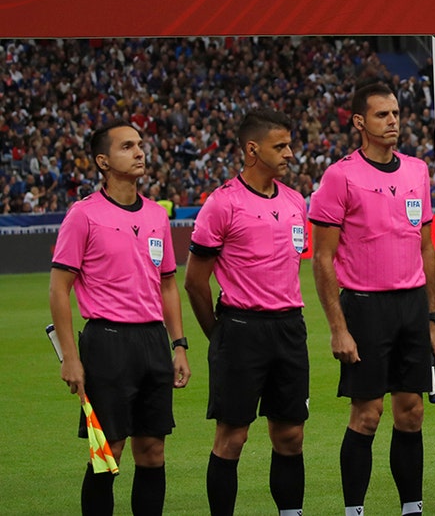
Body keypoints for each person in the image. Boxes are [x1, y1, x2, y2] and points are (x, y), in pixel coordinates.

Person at [48, 120, 191, 515]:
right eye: (127, 146)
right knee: (107, 453)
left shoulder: (156, 216)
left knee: (153, 451)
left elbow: (167, 286)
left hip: (152, 343)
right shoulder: (83, 215)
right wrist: (71, 357)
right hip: (106, 342)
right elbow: (59, 288)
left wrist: (178, 345)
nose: (140, 151)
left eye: (140, 144)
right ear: (102, 161)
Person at [309, 81, 435, 516]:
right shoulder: (340, 175)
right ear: (360, 122)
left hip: (411, 305)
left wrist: (432, 316)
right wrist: (338, 328)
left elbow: (426, 247)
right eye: (383, 115)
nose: (393, 122)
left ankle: (411, 508)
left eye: (396, 114)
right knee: (367, 415)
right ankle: (354, 510)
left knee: (412, 412)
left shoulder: (418, 170)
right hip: (365, 307)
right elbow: (322, 258)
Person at [184, 110, 309, 516]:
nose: (291, 153)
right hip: (240, 330)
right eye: (281, 146)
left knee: (290, 436)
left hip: (290, 328)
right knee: (232, 437)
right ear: (252, 150)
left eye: (290, 144)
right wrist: (219, 335)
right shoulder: (223, 203)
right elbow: (194, 281)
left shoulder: (294, 201)